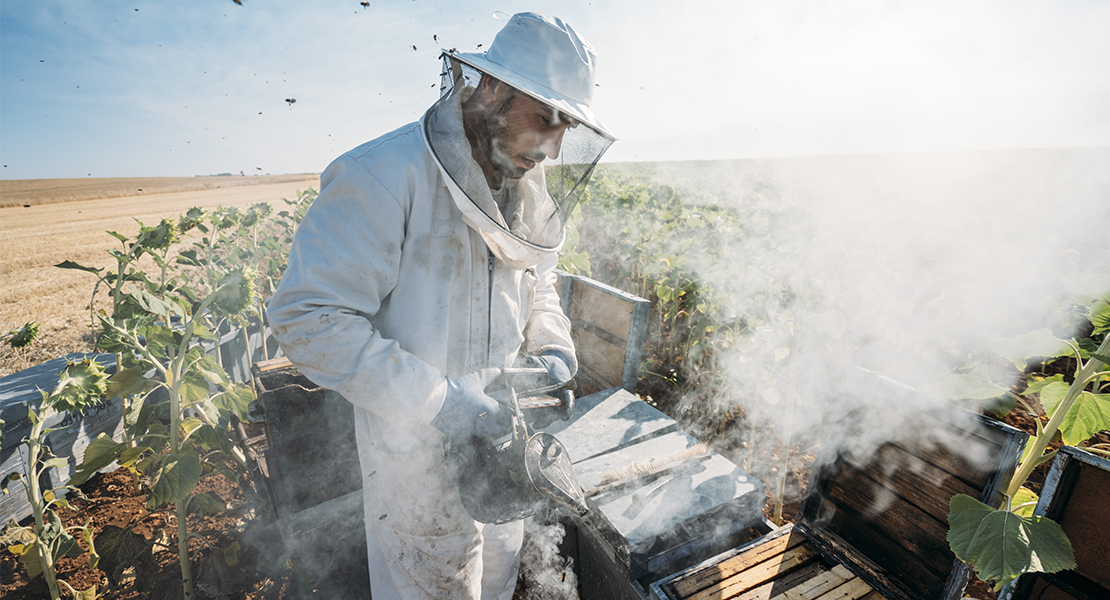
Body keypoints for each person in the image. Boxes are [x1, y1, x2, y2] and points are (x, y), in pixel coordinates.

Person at [267, 12, 615, 600]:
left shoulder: (527, 191)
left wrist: (552, 345)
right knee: (433, 586)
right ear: (493, 90)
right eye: (547, 118)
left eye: (568, 125)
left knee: (500, 571)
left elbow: (541, 282)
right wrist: (444, 403)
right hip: (415, 454)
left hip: (506, 438)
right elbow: (309, 320)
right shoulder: (382, 175)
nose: (554, 147)